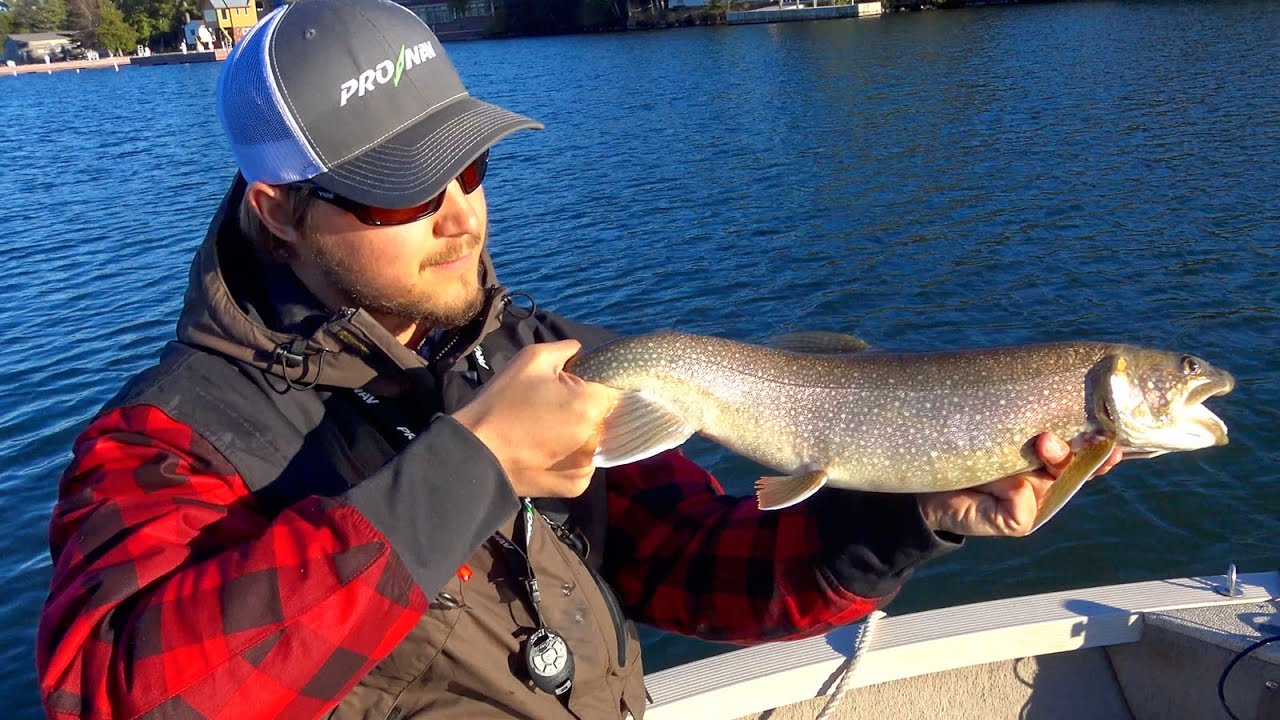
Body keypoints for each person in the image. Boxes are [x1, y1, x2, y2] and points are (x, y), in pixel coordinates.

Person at [35, 0, 1121, 718]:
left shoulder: (545, 356)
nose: (460, 216)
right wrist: (466, 468)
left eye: (470, 169)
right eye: (406, 191)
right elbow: (121, 692)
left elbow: (701, 567)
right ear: (277, 211)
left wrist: (914, 510)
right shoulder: (165, 439)